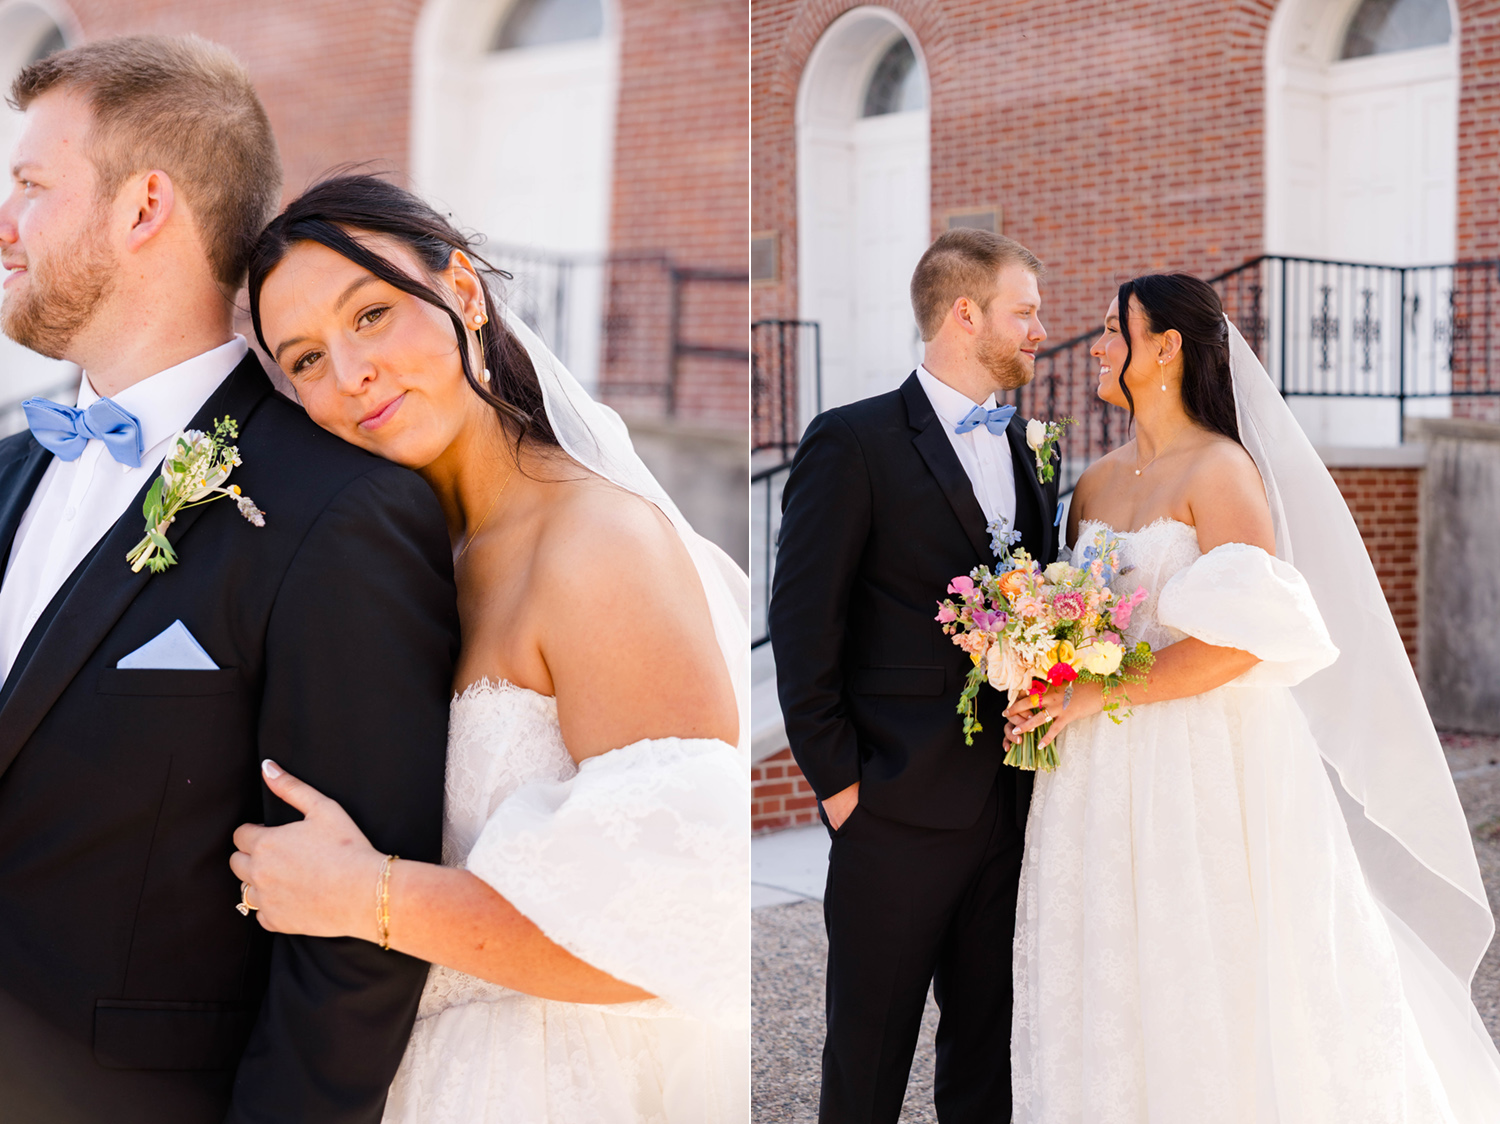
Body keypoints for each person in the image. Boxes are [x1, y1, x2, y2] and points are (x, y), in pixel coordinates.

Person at [227, 174, 751, 1123]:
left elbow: (688, 918)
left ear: (463, 293)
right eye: (306, 359)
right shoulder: (410, 556)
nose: (350, 375)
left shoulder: (595, 545)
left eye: (374, 315)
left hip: (557, 1080)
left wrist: (366, 897)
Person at [0, 37, 457, 1123]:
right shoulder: (12, 465)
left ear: (143, 206)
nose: (4, 221)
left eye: (28, 186)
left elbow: (350, 950)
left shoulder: (342, 512)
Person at [1005, 273, 1500, 1122]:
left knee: (1203, 955)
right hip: (1093, 771)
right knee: (1110, 961)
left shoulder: (1223, 470)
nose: (1094, 346)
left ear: (1166, 348)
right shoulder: (1091, 484)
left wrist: (1097, 695)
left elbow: (1246, 641)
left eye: (1113, 331)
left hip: (1198, 759)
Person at [769, 227, 1060, 1122]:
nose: (1041, 330)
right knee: (867, 1062)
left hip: (1009, 808)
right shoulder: (851, 442)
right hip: (893, 807)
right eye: (1026, 311)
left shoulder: (1028, 449)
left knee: (988, 1055)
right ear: (965, 314)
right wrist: (843, 786)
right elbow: (801, 625)